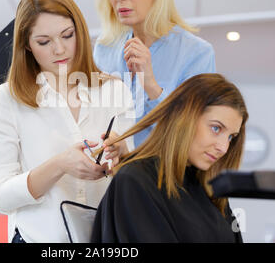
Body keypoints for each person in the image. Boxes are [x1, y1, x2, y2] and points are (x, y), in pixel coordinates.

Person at [0, 0, 135, 243]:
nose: (59, 50)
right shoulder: (7, 100)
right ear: (27, 46)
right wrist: (59, 165)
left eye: (67, 35)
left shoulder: (114, 90)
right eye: (44, 42)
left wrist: (123, 155)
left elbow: (131, 183)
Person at [90, 73, 248, 243]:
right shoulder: (135, 181)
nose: (224, 148)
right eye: (216, 129)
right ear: (184, 117)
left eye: (231, 137)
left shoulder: (210, 191)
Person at [93, 0, 216, 147]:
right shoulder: (104, 48)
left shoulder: (197, 53)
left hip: (160, 175)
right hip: (110, 175)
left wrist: (151, 85)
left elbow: (195, 133)